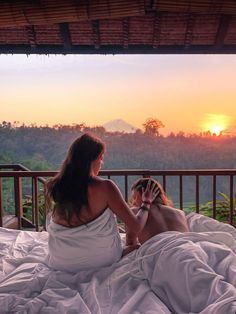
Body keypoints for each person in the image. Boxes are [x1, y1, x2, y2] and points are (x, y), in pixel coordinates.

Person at [45, 133, 159, 271]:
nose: (101, 163)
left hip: (60, 260)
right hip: (100, 259)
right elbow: (135, 227)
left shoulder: (55, 185)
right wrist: (146, 203)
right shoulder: (105, 187)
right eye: (101, 158)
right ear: (91, 160)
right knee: (138, 248)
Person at [126, 178, 189, 246]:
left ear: (143, 194)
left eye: (134, 197)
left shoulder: (135, 212)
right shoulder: (180, 213)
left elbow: (131, 243)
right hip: (188, 248)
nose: (133, 202)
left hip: (162, 252)